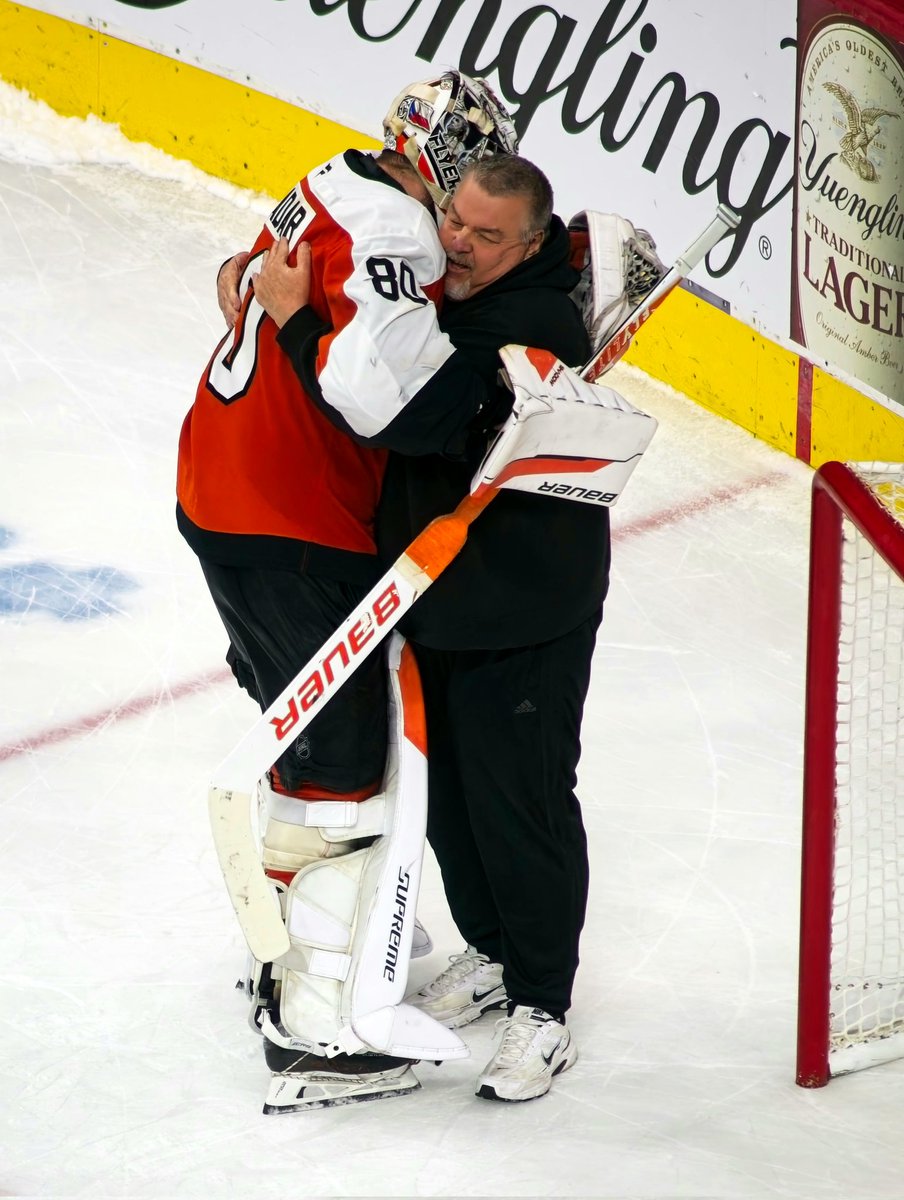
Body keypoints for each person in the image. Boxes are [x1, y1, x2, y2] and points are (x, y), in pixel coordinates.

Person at [178, 70, 519, 1112]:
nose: (459, 225)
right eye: (464, 190)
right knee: (346, 759)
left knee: (308, 732)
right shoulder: (399, 233)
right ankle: (319, 1022)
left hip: (217, 487)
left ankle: (289, 955)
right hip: (289, 517)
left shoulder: (329, 178)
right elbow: (379, 397)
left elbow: (251, 281)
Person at [246, 151, 618, 1103]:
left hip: (524, 611)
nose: (455, 240)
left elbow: (403, 418)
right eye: (454, 218)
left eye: (486, 236)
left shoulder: (524, 322)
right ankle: (495, 954)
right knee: (449, 804)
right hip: (441, 598)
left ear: (531, 244)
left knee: (522, 802)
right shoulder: (460, 290)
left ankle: (544, 1007)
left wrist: (295, 322)